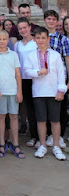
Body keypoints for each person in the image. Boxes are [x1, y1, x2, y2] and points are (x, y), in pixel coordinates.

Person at [23, 27, 67, 160]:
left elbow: (61, 73)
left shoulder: (55, 55)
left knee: (55, 120)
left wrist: (61, 90)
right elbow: (26, 71)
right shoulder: (31, 55)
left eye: (43, 38)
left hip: (53, 92)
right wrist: (38, 72)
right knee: (41, 120)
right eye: (38, 38)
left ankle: (56, 147)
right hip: (38, 92)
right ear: (35, 40)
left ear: (48, 39)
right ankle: (42, 145)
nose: (41, 40)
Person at [0, 29, 24, 159]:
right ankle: (2, 144)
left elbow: (17, 74)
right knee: (1, 116)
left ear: (8, 40)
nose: (2, 42)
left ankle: (15, 143)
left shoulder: (13, 55)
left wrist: (19, 91)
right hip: (0, 91)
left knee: (14, 116)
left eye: (4, 39)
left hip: (13, 90)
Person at [44, 10, 69, 148]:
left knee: (61, 108)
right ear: (45, 20)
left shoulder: (63, 39)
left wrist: (67, 81)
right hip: (44, 79)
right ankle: (49, 135)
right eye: (49, 19)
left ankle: (58, 136)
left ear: (57, 21)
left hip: (60, 78)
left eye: (53, 19)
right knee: (47, 108)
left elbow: (67, 60)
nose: (51, 21)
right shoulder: (40, 37)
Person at [14, 18, 38, 146]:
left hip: (36, 78)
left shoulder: (36, 42)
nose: (23, 30)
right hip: (24, 79)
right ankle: (33, 136)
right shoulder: (18, 45)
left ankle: (42, 136)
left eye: (25, 27)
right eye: (20, 28)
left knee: (38, 107)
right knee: (29, 108)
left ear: (30, 27)